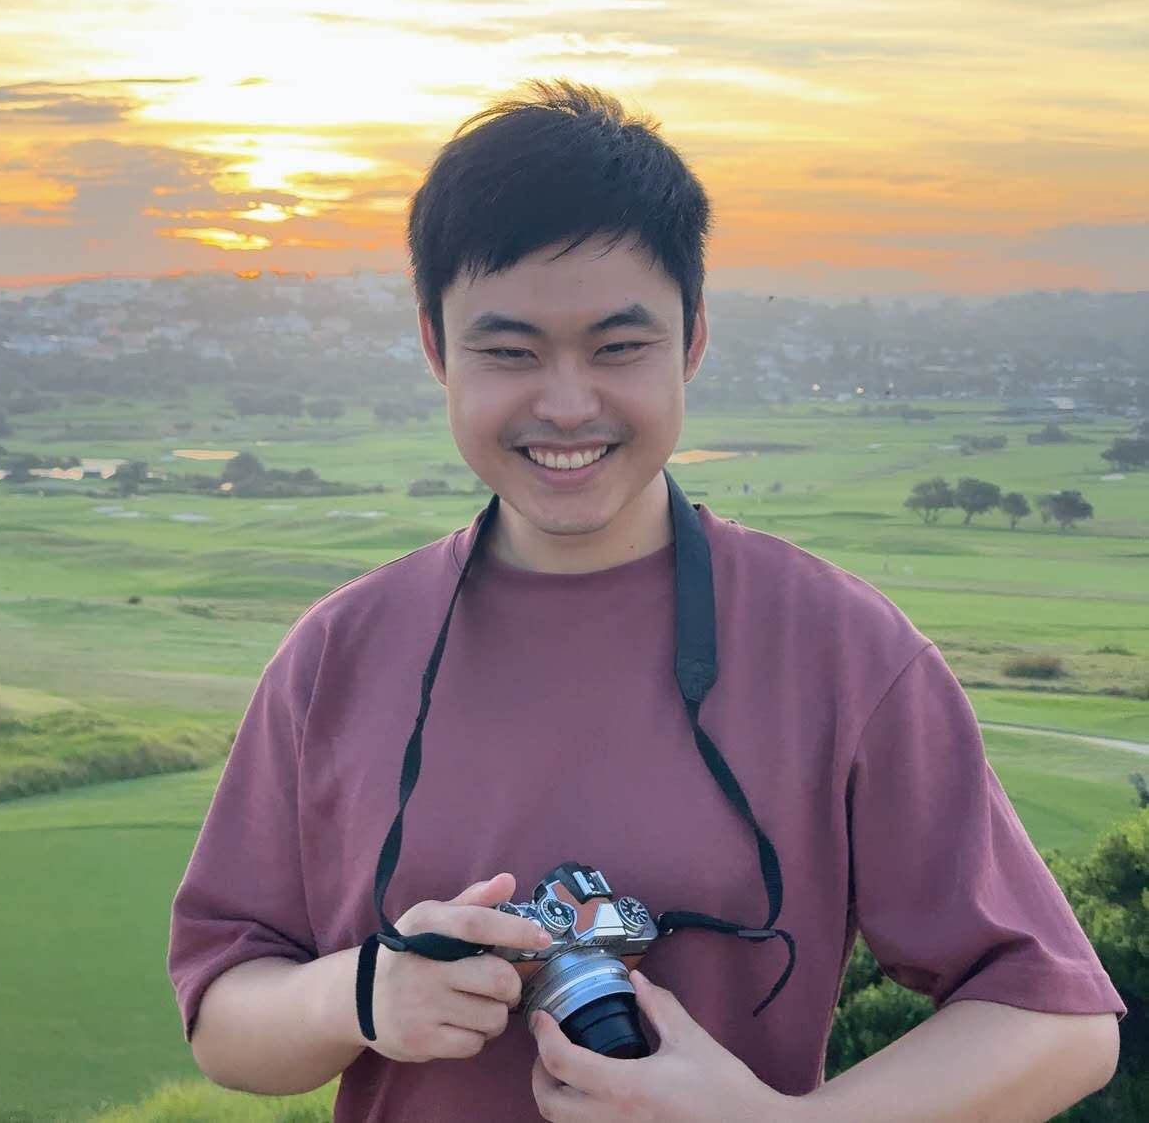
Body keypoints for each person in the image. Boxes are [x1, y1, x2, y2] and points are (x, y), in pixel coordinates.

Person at [168, 80, 1123, 1123]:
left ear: (693, 339)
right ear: (436, 349)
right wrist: (360, 993)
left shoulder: (838, 647)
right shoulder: (339, 653)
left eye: (619, 348)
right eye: (509, 352)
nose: (567, 403)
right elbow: (225, 1017)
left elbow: (1059, 1023)